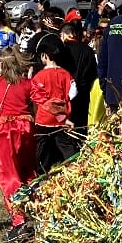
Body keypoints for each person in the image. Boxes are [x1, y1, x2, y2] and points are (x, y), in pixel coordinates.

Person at [0, 48, 39, 238]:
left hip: (6, 132)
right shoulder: (28, 84)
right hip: (27, 129)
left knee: (8, 175)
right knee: (27, 171)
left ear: (2, 65)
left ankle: (18, 221)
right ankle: (40, 210)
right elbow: (42, 100)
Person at [30, 39, 79, 173]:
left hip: (43, 118)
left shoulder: (39, 76)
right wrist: (64, 101)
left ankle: (39, 169)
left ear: (45, 56)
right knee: (66, 144)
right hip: (62, 117)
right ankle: (75, 167)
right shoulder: (66, 74)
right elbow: (73, 92)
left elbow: (35, 97)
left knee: (42, 145)